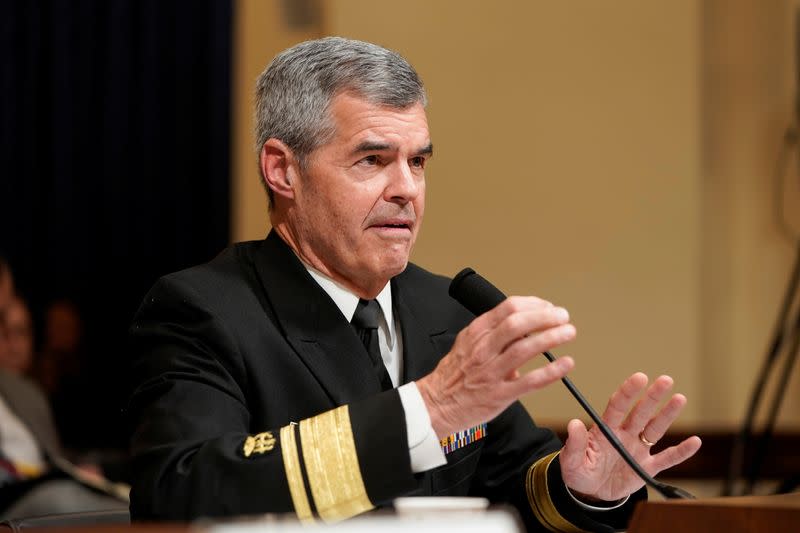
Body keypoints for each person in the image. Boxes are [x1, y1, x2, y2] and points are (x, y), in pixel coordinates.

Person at [127, 37, 701, 531]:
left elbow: (514, 490)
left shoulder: (444, 310)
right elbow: (180, 495)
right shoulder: (205, 309)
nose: (407, 189)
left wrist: (581, 486)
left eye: (418, 162)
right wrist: (425, 409)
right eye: (373, 160)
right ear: (282, 170)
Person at [0, 260, 128, 519]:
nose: (12, 344)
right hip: (24, 497)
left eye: (21, 332)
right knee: (62, 499)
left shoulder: (23, 390)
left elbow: (57, 456)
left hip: (46, 485)